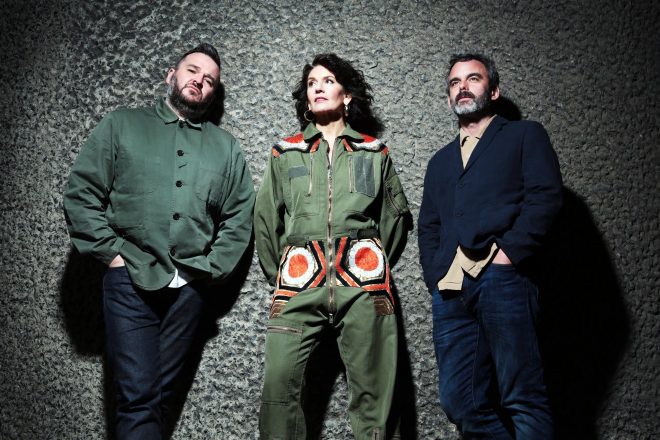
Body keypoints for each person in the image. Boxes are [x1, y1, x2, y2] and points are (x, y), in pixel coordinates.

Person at [63, 43, 255, 439]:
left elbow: (239, 217)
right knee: (138, 398)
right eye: (192, 70)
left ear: (213, 94)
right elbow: (81, 194)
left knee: (161, 399)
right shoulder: (122, 125)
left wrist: (210, 269)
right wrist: (112, 254)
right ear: (172, 74)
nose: (199, 80)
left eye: (209, 80)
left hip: (190, 289)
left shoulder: (226, 147)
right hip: (129, 280)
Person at [254, 53, 411, 439]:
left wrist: (369, 262)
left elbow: (395, 219)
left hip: (364, 285)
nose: (318, 87)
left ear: (347, 96)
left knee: (375, 393)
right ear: (307, 100)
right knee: (279, 386)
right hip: (299, 280)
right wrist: (284, 271)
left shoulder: (373, 152)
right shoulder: (285, 151)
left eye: (327, 81)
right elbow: (265, 220)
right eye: (311, 83)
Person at [418, 53, 562, 439]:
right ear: (449, 97)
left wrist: (508, 256)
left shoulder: (524, 135)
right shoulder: (439, 162)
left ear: (493, 90)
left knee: (522, 396)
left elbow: (546, 197)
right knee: (460, 402)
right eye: (455, 83)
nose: (462, 87)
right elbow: (429, 225)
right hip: (451, 289)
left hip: (503, 280)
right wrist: (435, 276)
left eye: (473, 79)